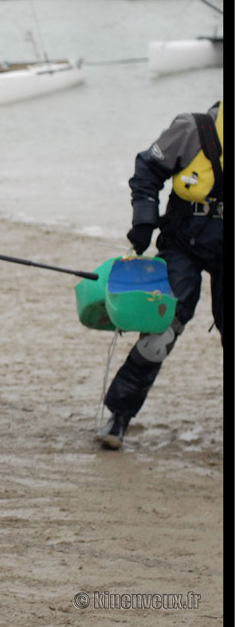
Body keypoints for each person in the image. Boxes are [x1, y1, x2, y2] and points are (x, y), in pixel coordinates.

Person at [97, 101, 224, 449]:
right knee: (163, 328)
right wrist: (144, 220)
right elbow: (148, 170)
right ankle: (119, 417)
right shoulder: (191, 128)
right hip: (184, 240)